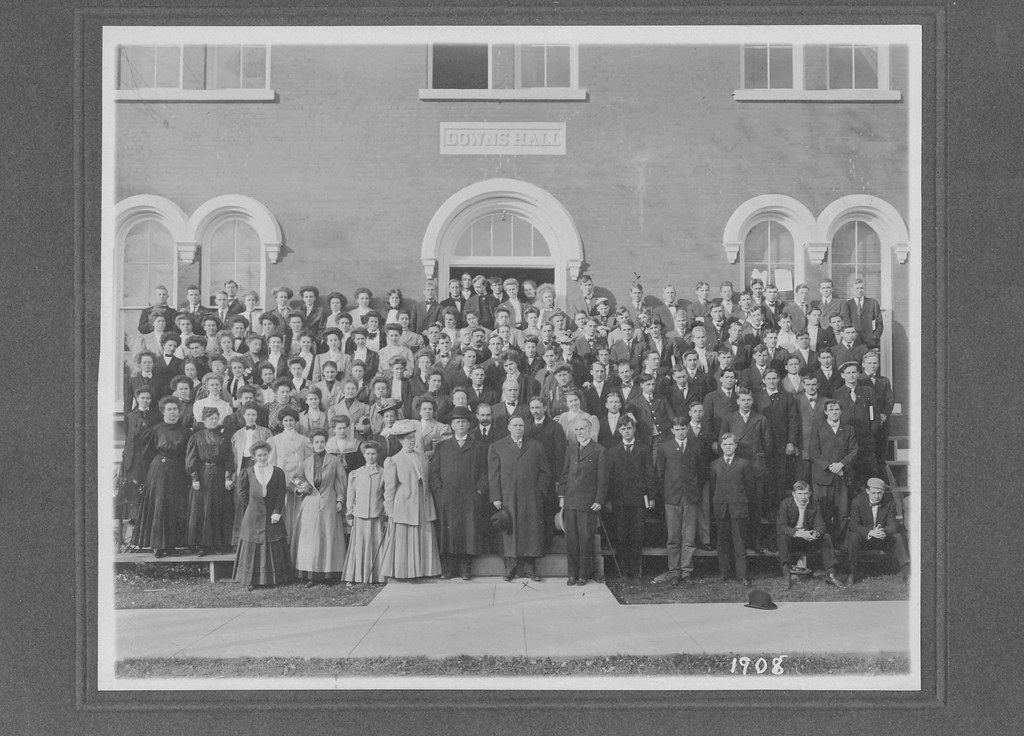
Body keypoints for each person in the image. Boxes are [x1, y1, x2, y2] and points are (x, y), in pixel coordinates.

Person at [489, 415, 552, 582]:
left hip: (531, 497)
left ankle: (530, 569)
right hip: (508, 496)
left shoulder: (535, 446)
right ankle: (511, 568)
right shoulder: (498, 446)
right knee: (510, 532)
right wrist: (496, 496)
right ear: (509, 428)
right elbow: (493, 475)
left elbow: (545, 472)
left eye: (521, 426)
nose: (518, 428)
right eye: (515, 425)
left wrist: (539, 491)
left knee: (531, 532)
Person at [429, 406, 489, 580]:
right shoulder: (442, 447)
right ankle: (449, 568)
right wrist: (439, 490)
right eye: (457, 422)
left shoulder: (478, 446)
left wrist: (479, 490)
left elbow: (486, 472)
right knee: (448, 533)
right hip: (447, 497)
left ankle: (465, 569)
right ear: (452, 425)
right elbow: (434, 471)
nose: (461, 424)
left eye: (464, 421)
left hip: (470, 497)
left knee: (468, 533)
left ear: (469, 424)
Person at [381, 419, 442, 580]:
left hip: (423, 503)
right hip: (405, 504)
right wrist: (390, 512)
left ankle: (425, 571)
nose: (411, 441)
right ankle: (405, 572)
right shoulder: (393, 460)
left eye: (413, 438)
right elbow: (389, 490)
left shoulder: (422, 457)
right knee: (405, 540)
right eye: (408, 438)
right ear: (400, 440)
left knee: (424, 535)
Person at [131, 396, 191, 557]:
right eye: (169, 409)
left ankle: (172, 545)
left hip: (178, 471)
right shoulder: (155, 430)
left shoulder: (185, 431)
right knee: (159, 504)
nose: (172, 412)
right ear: (163, 412)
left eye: (175, 409)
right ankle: (158, 545)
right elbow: (146, 454)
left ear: (179, 412)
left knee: (175, 506)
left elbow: (188, 454)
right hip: (159, 470)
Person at [651, 415, 708, 585]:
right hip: (672, 497)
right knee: (673, 537)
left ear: (687, 429)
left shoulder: (696, 446)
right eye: (677, 429)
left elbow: (702, 472)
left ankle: (686, 571)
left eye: (683, 428)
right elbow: (659, 473)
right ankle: (674, 571)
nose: (681, 432)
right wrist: (665, 493)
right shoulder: (665, 447)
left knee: (689, 537)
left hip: (690, 497)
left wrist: (695, 490)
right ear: (672, 430)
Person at [232, 440, 294, 590]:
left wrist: (277, 512)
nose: (262, 458)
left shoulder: (277, 471)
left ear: (268, 454)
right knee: (252, 544)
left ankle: (275, 578)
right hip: (253, 514)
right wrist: (255, 506)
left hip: (273, 514)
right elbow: (242, 493)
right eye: (259, 455)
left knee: (274, 542)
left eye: (265, 454)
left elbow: (280, 493)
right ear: (253, 456)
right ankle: (250, 579)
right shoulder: (247, 472)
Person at [292, 428, 347, 587]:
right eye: (316, 442)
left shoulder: (334, 461)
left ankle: (329, 573)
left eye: (322, 441)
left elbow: (341, 481)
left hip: (329, 502)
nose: (319, 444)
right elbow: (295, 478)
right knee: (310, 539)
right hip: (310, 503)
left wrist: (340, 500)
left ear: (326, 443)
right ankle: (310, 574)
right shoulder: (307, 461)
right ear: (312, 443)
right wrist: (304, 487)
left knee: (328, 536)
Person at [558, 417, 608, 586]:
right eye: (576, 430)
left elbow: (603, 479)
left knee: (586, 538)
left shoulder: (599, 450)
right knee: (571, 539)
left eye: (582, 429)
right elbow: (565, 474)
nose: (579, 433)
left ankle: (583, 574)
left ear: (590, 430)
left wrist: (599, 500)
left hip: (588, 502)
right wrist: (561, 497)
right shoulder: (571, 449)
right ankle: (572, 574)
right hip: (570, 501)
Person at [602, 416, 654, 579]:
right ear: (619, 431)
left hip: (638, 500)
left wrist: (651, 497)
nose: (627, 431)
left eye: (629, 428)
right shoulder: (612, 451)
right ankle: (623, 570)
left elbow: (649, 475)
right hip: (620, 501)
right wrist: (608, 500)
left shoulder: (644, 449)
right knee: (622, 535)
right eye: (623, 429)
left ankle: (636, 569)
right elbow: (608, 477)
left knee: (637, 535)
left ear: (634, 429)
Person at [776, 480, 846, 588]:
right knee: (782, 537)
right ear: (794, 494)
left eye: (806, 493)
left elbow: (820, 525)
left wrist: (815, 534)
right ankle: (787, 574)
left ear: (810, 493)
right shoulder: (786, 503)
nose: (803, 497)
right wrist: (799, 533)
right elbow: (781, 526)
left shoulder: (814, 504)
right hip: (793, 539)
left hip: (809, 540)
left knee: (826, 537)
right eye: (800, 493)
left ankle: (831, 574)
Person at [185, 406, 234, 556]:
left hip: (219, 474)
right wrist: (195, 478)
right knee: (202, 509)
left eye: (215, 418)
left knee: (218, 508)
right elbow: (191, 459)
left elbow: (228, 458)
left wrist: (227, 477)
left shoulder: (223, 437)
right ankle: (202, 545)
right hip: (203, 474)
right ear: (204, 420)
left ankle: (217, 544)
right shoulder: (197, 436)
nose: (213, 421)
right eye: (210, 418)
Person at [808, 399, 859, 541]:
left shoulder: (848, 429)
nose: (834, 412)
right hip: (823, 476)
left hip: (841, 476)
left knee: (841, 512)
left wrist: (841, 464)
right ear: (826, 412)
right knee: (822, 510)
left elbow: (853, 451)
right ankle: (825, 543)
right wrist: (829, 466)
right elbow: (813, 451)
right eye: (831, 410)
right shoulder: (818, 428)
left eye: (837, 409)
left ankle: (838, 542)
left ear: (841, 411)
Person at [268, 407, 314, 560]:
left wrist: (304, 483)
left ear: (295, 421)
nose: (289, 423)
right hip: (283, 482)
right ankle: (284, 553)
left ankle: (298, 553)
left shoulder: (304, 440)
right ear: (282, 423)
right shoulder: (274, 440)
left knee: (298, 517)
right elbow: (272, 463)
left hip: (299, 483)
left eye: (291, 420)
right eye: (286, 420)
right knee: (284, 515)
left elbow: (308, 463)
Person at [709, 433, 754, 586]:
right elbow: (713, 487)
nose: (728, 447)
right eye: (725, 445)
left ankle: (742, 575)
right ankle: (724, 573)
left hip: (738, 508)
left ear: (735, 446)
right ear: (721, 447)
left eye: (731, 444)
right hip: (721, 508)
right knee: (722, 542)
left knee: (739, 542)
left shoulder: (743, 464)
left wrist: (742, 502)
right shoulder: (715, 464)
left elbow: (749, 487)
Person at [846, 477, 910, 584]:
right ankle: (852, 573)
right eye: (874, 493)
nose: (876, 496)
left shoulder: (889, 503)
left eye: (879, 493)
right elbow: (854, 525)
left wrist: (883, 531)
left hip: (882, 538)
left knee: (897, 537)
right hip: (865, 539)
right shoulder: (857, 501)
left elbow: (893, 525)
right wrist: (870, 532)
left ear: (883, 492)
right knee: (853, 537)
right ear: (867, 491)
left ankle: (907, 573)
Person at [343, 441, 387, 584]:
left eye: (373, 454)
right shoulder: (356, 473)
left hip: (377, 514)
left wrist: (385, 514)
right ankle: (355, 576)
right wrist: (349, 514)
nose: (370, 457)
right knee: (359, 546)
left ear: (378, 455)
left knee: (376, 543)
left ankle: (378, 577)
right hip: (359, 515)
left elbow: (387, 495)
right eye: (367, 454)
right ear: (363, 455)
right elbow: (351, 495)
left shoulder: (384, 473)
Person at [118, 385, 160, 531]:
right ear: (137, 399)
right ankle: (135, 520)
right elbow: (128, 438)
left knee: (148, 487)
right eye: (142, 398)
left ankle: (146, 518)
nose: (145, 400)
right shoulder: (130, 416)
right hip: (133, 458)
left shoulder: (156, 416)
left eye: (148, 398)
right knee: (134, 489)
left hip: (149, 457)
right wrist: (124, 460)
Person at [840, 278, 884, 350]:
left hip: (870, 342)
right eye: (857, 288)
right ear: (852, 289)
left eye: (861, 288)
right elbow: (846, 323)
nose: (859, 291)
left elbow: (880, 323)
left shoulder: (872, 303)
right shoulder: (847, 304)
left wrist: (875, 337)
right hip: (854, 342)